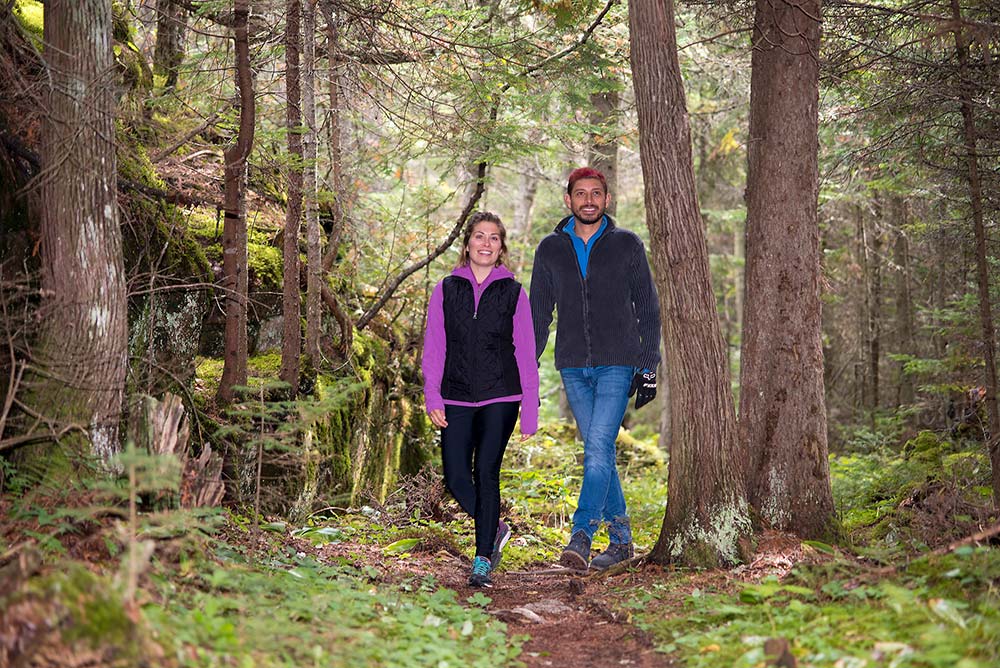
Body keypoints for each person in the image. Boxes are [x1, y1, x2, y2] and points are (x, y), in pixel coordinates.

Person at [529, 167, 660, 570]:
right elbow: (538, 314)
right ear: (568, 200)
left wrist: (649, 366)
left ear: (606, 199)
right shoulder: (550, 249)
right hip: (572, 365)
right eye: (581, 193)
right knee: (598, 451)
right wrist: (526, 369)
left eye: (596, 193)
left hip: (618, 363)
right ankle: (621, 542)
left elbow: (649, 309)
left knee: (597, 450)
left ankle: (581, 536)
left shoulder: (627, 245)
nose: (589, 200)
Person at [422, 211, 539, 588]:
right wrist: (432, 395)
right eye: (479, 236)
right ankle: (496, 528)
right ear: (468, 243)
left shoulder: (514, 293)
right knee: (456, 476)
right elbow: (435, 346)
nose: (485, 243)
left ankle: (482, 559)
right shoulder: (446, 289)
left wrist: (531, 408)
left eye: (493, 238)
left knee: (485, 473)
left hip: (500, 395)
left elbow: (525, 351)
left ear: (501, 247)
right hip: (455, 395)